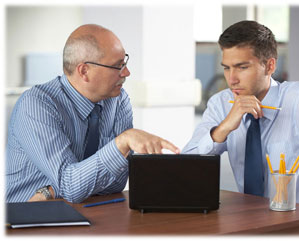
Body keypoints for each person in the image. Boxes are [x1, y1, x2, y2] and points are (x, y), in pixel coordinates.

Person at [182, 20, 299, 235]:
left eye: (242, 67)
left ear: (270, 66)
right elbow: (185, 162)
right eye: (227, 68)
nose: (232, 79)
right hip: (250, 226)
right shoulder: (220, 103)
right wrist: (224, 127)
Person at [6, 24, 180, 204]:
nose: (127, 72)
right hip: (24, 219)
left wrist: (52, 190)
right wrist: (121, 143)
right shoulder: (37, 105)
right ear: (84, 71)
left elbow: (117, 183)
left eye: (125, 63)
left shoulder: (118, 100)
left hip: (83, 209)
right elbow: (72, 187)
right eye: (117, 66)